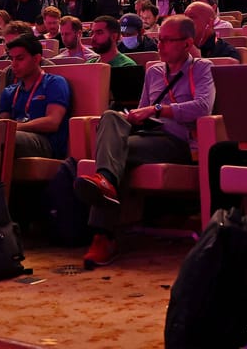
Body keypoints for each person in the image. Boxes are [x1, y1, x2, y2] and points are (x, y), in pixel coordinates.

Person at [72, 15, 214, 268]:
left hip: (177, 140)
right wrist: (138, 116)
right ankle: (105, 181)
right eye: (159, 40)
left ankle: (102, 236)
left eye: (167, 41)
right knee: (111, 117)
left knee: (117, 155)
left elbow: (203, 107)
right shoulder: (154, 70)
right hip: (147, 135)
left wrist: (157, 110)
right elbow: (141, 110)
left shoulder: (202, 68)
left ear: (187, 43)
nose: (159, 46)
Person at [0, 35, 72, 159]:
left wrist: (14, 128)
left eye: (20, 59)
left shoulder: (54, 83)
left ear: (36, 58)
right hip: (17, 136)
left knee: (3, 137)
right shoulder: (9, 91)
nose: (13, 64)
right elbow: (2, 124)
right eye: (12, 59)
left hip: (46, 143)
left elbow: (52, 122)